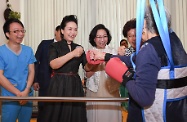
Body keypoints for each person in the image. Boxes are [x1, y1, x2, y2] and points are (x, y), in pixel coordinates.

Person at [89, 5, 187, 122]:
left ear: (144, 24)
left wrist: (125, 76)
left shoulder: (149, 49)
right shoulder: (174, 42)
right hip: (176, 112)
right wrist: (106, 56)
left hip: (153, 115)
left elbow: (144, 97)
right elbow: (134, 59)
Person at [42, 15, 87, 122]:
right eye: (70, 29)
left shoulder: (79, 47)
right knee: (57, 115)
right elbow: (53, 64)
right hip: (59, 85)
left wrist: (94, 60)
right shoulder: (55, 46)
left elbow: (87, 68)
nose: (73, 32)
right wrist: (73, 54)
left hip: (75, 84)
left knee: (76, 115)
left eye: (75, 29)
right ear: (62, 30)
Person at [0, 19, 36, 122]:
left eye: (22, 31)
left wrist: (26, 91)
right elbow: (0, 76)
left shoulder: (28, 50)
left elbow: (31, 71)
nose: (20, 34)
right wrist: (18, 94)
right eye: (16, 31)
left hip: (27, 95)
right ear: (7, 34)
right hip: (9, 97)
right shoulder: (1, 52)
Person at [86, 24, 122, 122]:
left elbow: (118, 73)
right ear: (94, 39)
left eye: (104, 36)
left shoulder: (113, 52)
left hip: (111, 89)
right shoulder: (90, 52)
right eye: (99, 37)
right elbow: (88, 74)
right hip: (94, 90)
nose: (102, 39)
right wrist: (95, 62)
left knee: (111, 117)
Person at [33, 25, 61, 122]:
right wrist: (35, 80)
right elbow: (35, 62)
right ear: (55, 32)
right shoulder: (45, 44)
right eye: (60, 32)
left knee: (58, 112)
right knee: (43, 110)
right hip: (45, 82)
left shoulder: (68, 47)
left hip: (61, 84)